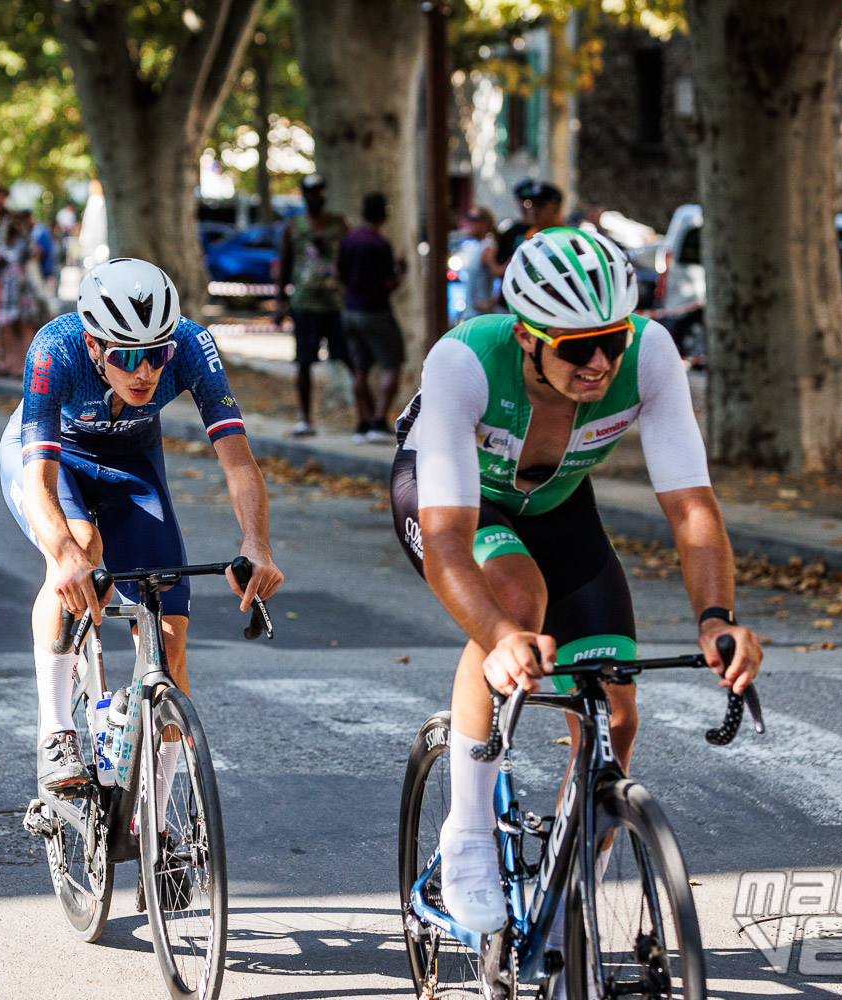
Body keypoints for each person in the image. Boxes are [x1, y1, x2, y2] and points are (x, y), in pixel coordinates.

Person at [390, 228, 762, 961]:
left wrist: (718, 620)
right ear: (529, 339)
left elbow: (692, 508)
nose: (600, 362)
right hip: (456, 504)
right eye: (575, 347)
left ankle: (573, 888)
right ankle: (466, 834)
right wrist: (500, 639)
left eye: (612, 340)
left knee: (615, 707)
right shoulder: (465, 362)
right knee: (516, 597)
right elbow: (445, 544)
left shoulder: (649, 356)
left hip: (560, 506)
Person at [0, 257, 283, 798]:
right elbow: (37, 476)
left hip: (131, 459)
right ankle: (56, 729)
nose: (144, 371)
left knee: (170, 648)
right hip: (55, 453)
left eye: (156, 354)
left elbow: (239, 463)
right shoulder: (54, 349)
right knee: (80, 545)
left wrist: (256, 544)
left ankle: (157, 825)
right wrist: (63, 554)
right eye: (127, 356)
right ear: (94, 346)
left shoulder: (193, 346)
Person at [276, 173, 350, 437]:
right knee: (304, 362)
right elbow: (284, 265)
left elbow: (350, 258)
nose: (315, 196)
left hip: (335, 303)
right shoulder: (293, 226)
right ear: (304, 195)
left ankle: (364, 420)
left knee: (350, 359)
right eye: (310, 191)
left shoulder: (339, 224)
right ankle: (306, 419)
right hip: (305, 305)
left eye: (319, 191)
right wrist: (280, 304)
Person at [337, 192, 406, 444]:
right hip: (375, 310)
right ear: (384, 213)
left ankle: (362, 422)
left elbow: (339, 273)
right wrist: (401, 273)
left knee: (360, 370)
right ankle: (378, 420)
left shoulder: (349, 239)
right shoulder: (380, 244)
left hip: (350, 310)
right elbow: (388, 283)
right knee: (392, 364)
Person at [0, 212, 50, 378]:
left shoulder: (25, 243)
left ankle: (26, 365)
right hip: (9, 293)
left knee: (25, 327)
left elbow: (30, 257)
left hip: (24, 292)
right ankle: (13, 363)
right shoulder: (2, 246)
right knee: (9, 328)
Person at [495, 178, 565, 269]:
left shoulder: (569, 236)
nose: (533, 210)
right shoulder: (531, 235)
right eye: (531, 203)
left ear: (556, 208)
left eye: (540, 204)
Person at [456, 206, 499, 322]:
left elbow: (500, 274)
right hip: (472, 315)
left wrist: (492, 302)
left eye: (473, 219)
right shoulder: (476, 246)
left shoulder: (488, 247)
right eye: (468, 218)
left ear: (485, 224)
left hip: (481, 317)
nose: (469, 223)